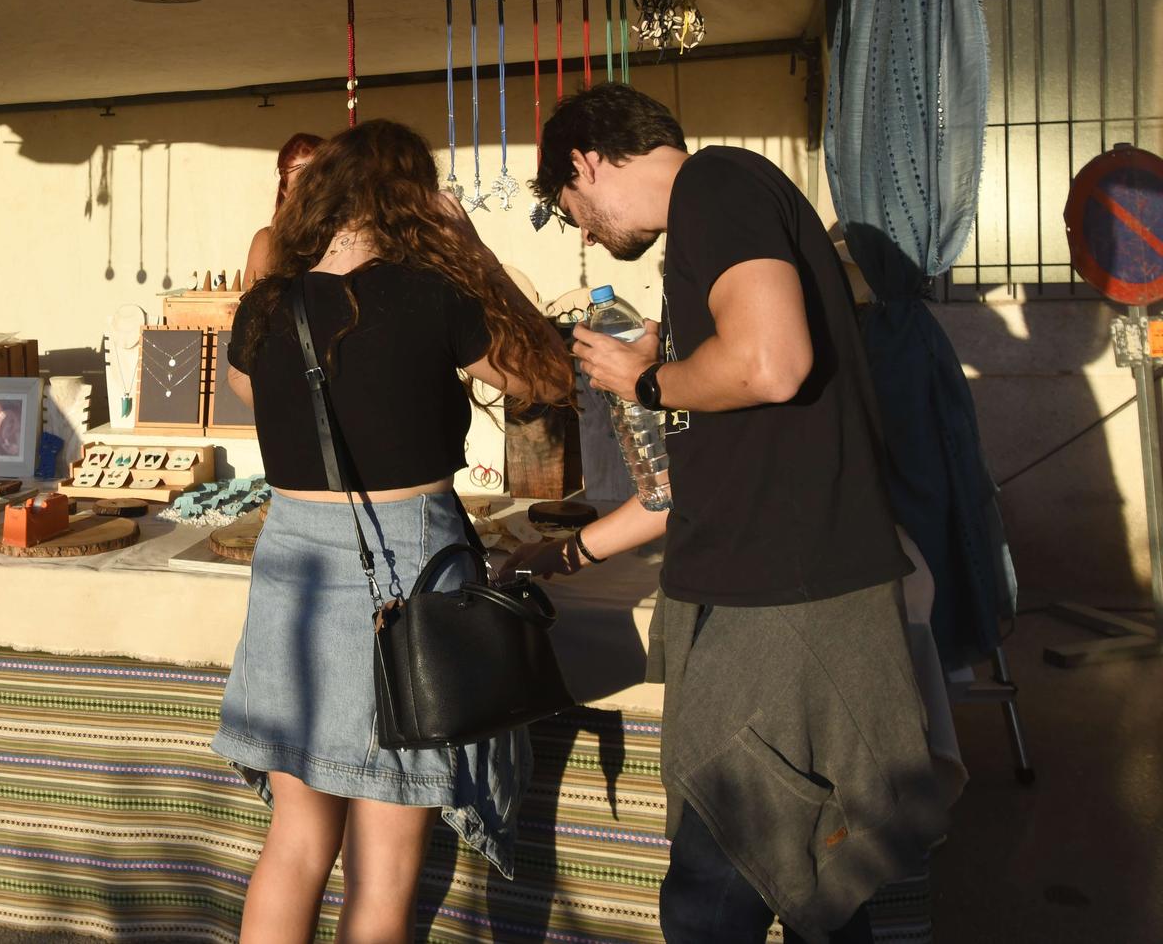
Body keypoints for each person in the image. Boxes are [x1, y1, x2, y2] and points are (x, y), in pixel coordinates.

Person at [506, 83, 961, 943]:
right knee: (816, 878)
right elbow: (690, 479)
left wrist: (646, 380)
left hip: (778, 610)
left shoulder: (715, 185)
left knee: (718, 887)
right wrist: (565, 556)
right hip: (784, 593)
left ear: (585, 161)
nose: (588, 232)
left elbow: (768, 362)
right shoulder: (720, 216)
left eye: (574, 211)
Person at [218, 118, 570, 943]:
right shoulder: (431, 294)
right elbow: (550, 373)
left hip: (293, 573)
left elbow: (243, 389)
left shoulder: (269, 304)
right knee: (382, 871)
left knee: (297, 843)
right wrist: (474, 250)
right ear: (410, 198)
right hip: (405, 576)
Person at [242, 132, 323, 288]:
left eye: (320, 183)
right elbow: (248, 308)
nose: (314, 194)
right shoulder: (268, 242)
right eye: (302, 186)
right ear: (285, 191)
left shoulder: (350, 237)